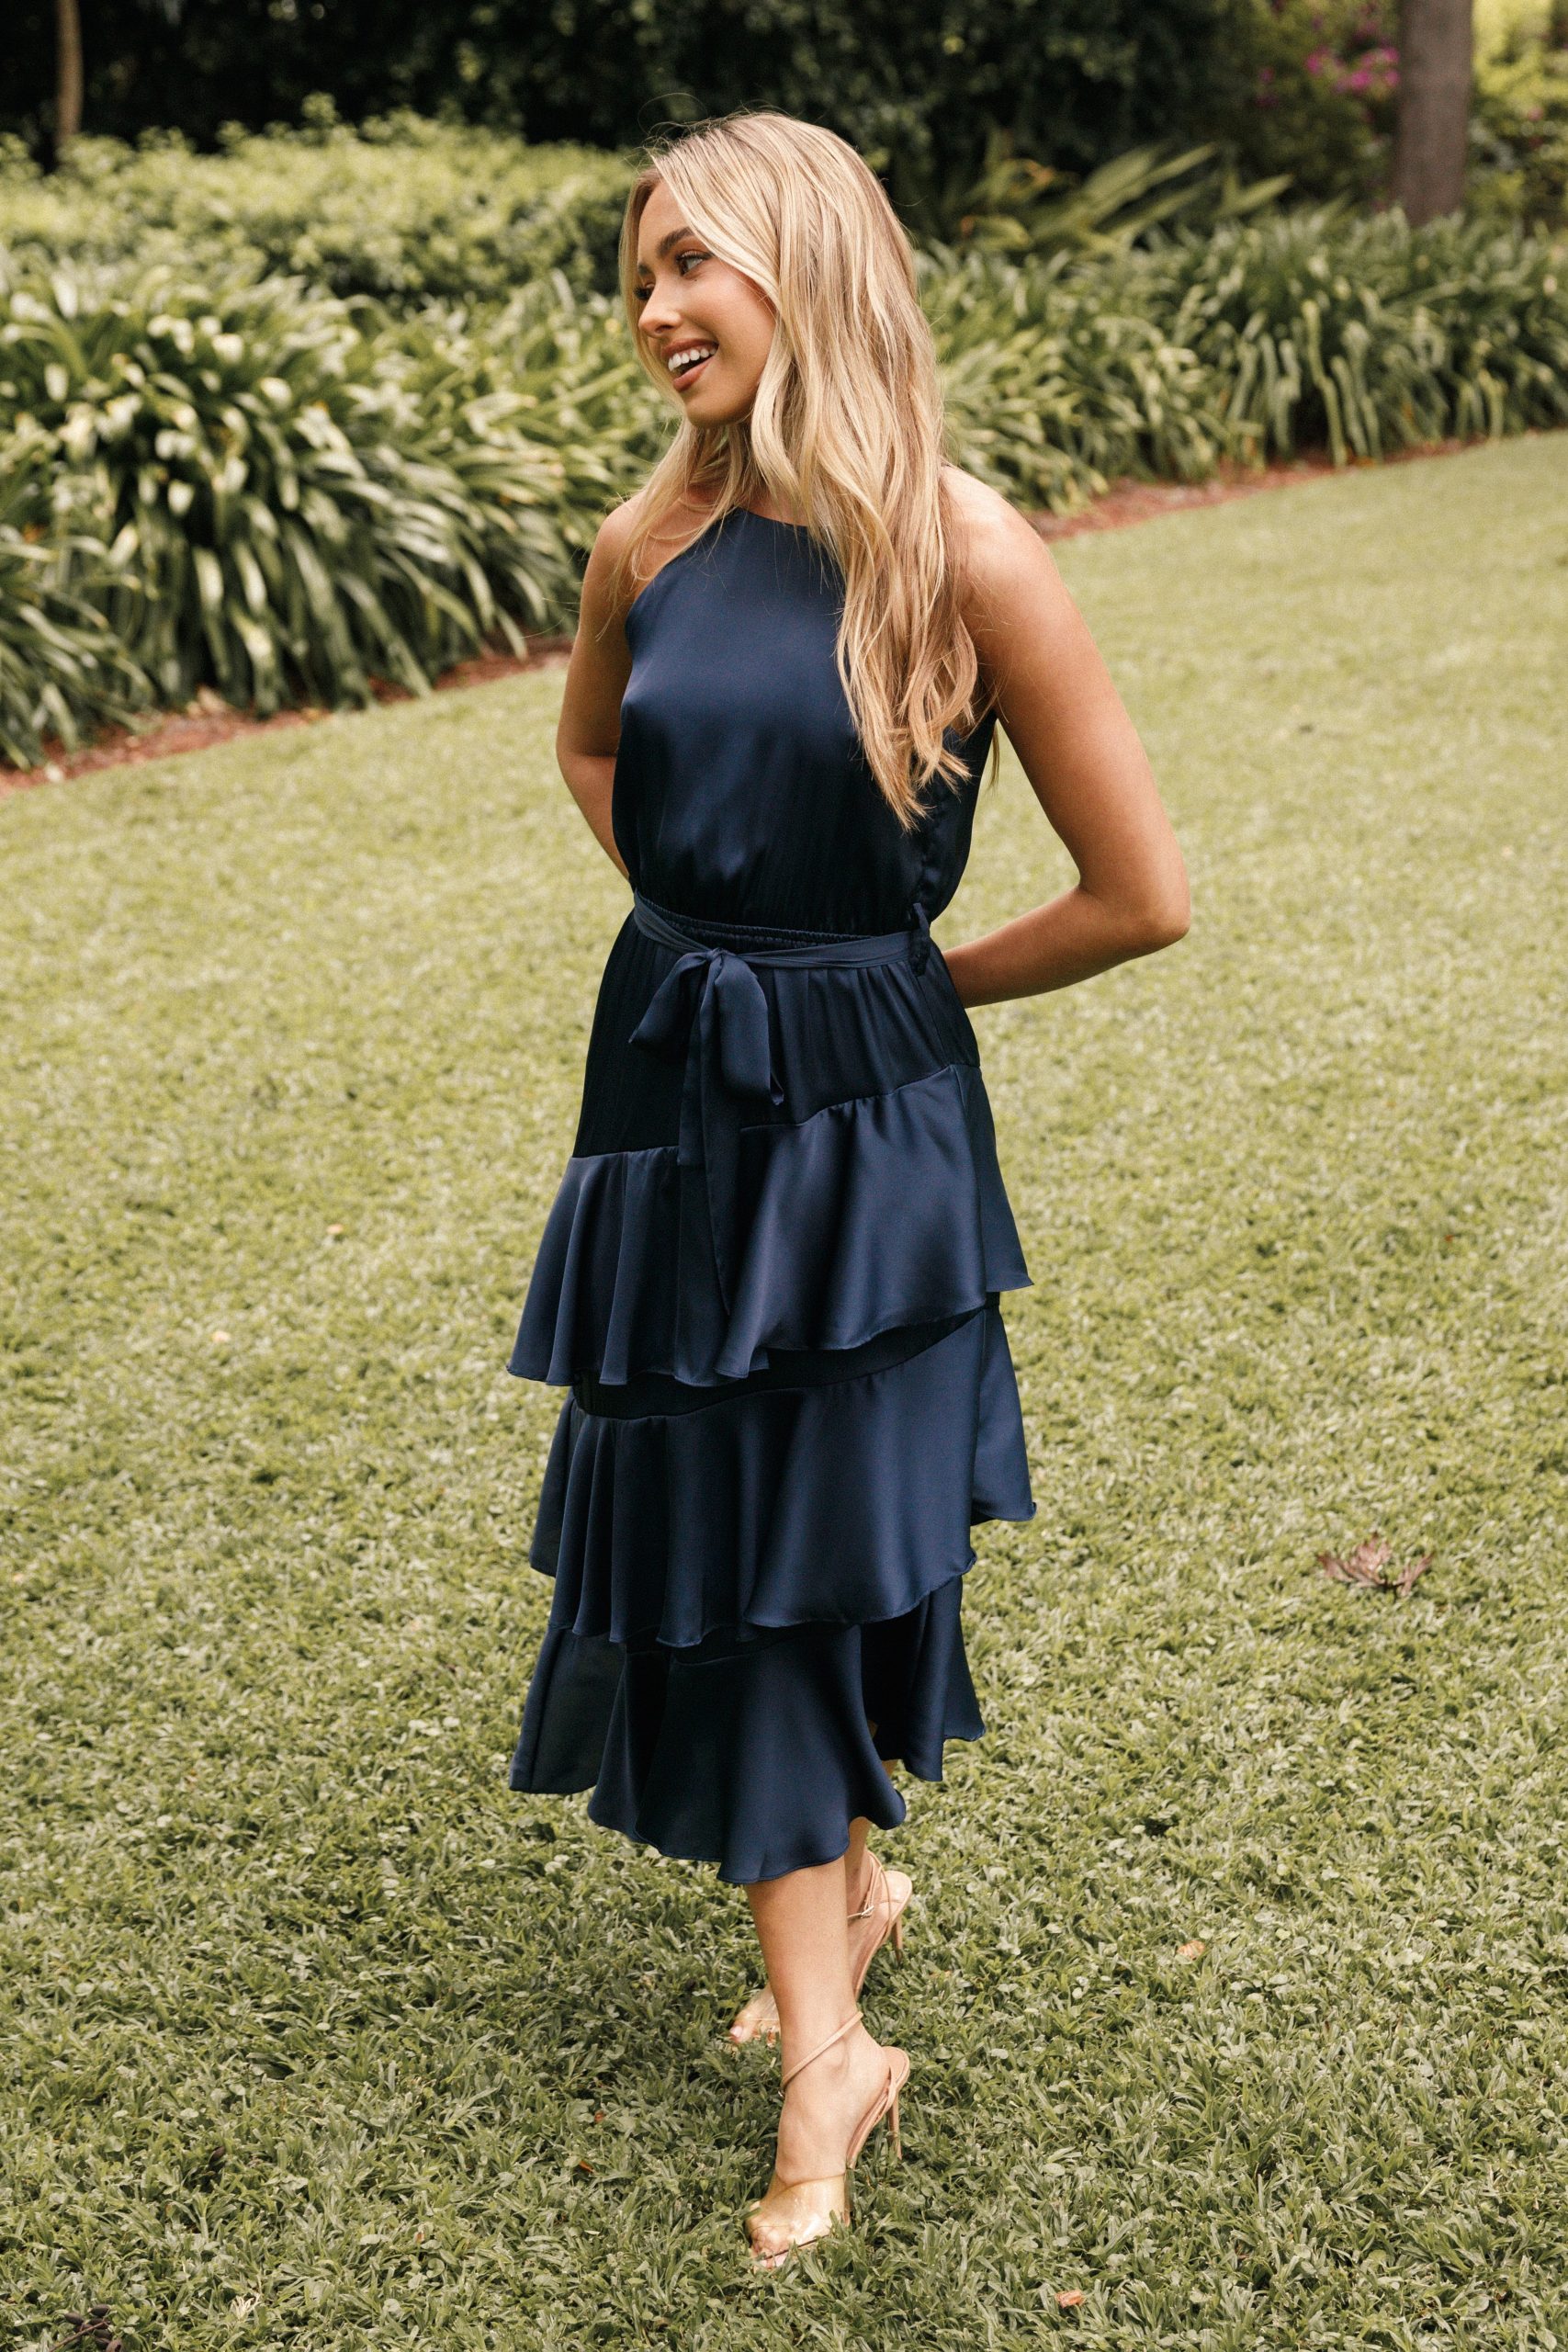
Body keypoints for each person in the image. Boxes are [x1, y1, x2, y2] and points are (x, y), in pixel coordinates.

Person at [503, 108, 1189, 2268]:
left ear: (804, 267)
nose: (655, 308)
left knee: (806, 1556)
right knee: (720, 1534)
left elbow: (1139, 891)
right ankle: (841, 1936)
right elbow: (593, 752)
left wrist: (892, 981)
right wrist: (708, 917)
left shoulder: (961, 550)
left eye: (691, 262)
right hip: (670, 1084)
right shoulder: (646, 541)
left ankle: (829, 2053)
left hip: (867, 1128)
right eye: (638, 273)